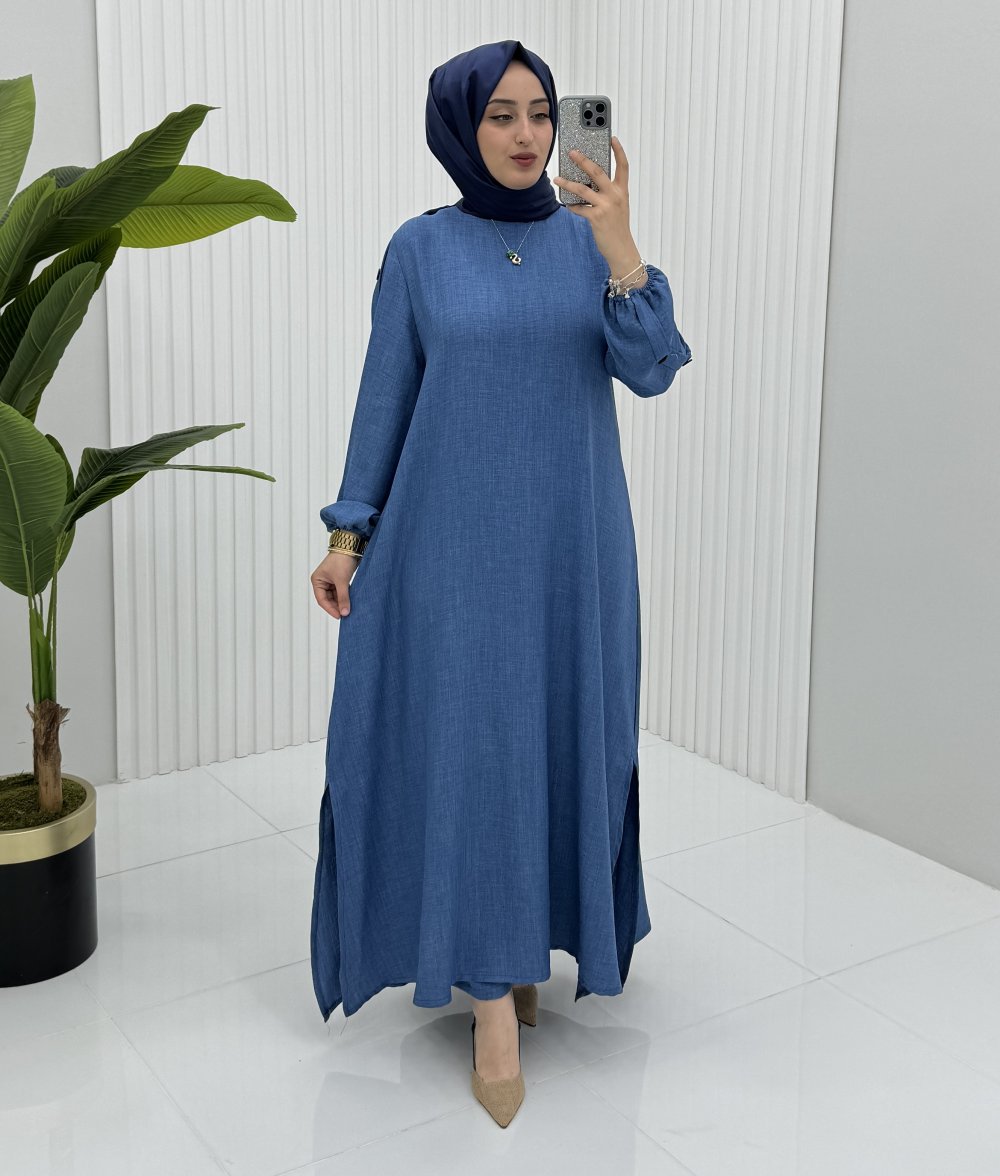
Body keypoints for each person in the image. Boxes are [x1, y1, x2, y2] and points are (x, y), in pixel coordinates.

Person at [309, 38, 692, 1128]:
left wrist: (620, 243)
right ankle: (489, 1004)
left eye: (540, 113)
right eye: (500, 115)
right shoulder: (421, 250)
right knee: (476, 755)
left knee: (563, 742)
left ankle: (526, 950)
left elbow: (653, 369)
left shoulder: (588, 242)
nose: (527, 135)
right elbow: (384, 398)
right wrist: (347, 537)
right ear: (460, 127)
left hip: (573, 552)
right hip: (452, 555)